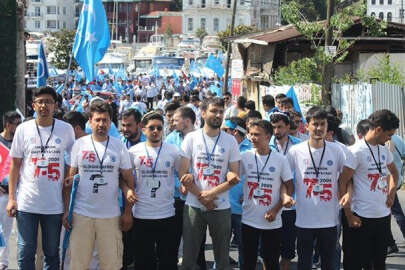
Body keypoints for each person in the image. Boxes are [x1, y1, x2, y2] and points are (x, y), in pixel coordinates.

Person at [7, 86, 75, 270]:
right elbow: (15, 166)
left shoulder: (66, 129)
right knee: (25, 252)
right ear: (34, 105)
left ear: (55, 106)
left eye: (49, 102)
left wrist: (69, 178)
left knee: (52, 253)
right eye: (41, 102)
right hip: (27, 203)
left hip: (54, 205)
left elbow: (73, 162)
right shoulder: (23, 129)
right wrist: (12, 199)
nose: (44, 105)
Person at [64, 100, 136, 270]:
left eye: (105, 120)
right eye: (97, 120)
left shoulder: (118, 147)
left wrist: (127, 212)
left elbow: (128, 179)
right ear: (90, 121)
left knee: (111, 264)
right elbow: (70, 180)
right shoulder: (79, 145)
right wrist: (66, 210)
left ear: (110, 122)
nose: (101, 124)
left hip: (110, 216)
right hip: (81, 214)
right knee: (78, 264)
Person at [286, 106, 353, 270]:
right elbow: (285, 179)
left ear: (327, 126)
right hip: (304, 219)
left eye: (322, 124)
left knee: (328, 263)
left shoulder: (337, 150)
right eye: (315, 124)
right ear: (307, 125)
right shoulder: (295, 151)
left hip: (329, 219)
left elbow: (348, 178)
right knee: (304, 263)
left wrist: (348, 194)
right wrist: (286, 196)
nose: (319, 128)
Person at [179, 97, 241, 270]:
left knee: (222, 258)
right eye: (214, 111)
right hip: (194, 205)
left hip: (220, 206)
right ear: (203, 112)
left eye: (221, 111)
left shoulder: (230, 141)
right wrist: (202, 196)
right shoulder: (191, 138)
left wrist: (211, 195)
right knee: (189, 257)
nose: (218, 115)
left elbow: (235, 177)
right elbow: (182, 173)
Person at [343, 110, 399, 269]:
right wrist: (348, 215)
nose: (390, 138)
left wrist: (392, 193)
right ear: (379, 129)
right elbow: (343, 182)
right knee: (357, 263)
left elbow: (394, 173)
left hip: (383, 216)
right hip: (361, 217)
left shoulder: (384, 150)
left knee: (379, 264)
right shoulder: (355, 151)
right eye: (389, 134)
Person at [129, 112, 182, 270]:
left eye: (159, 128)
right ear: (143, 129)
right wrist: (128, 191)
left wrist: (185, 184)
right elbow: (123, 178)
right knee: (144, 261)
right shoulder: (133, 152)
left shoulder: (173, 151)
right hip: (141, 215)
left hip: (167, 214)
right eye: (151, 127)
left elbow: (183, 174)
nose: (156, 131)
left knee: (168, 261)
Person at [240, 119, 294, 270]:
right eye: (250, 134)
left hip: (272, 221)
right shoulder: (245, 156)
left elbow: (290, 186)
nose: (252, 138)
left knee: (271, 262)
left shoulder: (280, 159)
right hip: (248, 219)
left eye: (257, 134)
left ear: (268, 136)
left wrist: (276, 209)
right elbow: (233, 176)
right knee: (247, 262)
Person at [166, 106, 208, 267]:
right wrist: (180, 184)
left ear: (187, 121)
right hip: (177, 197)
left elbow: (204, 166)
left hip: (197, 197)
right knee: (173, 238)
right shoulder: (171, 138)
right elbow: (168, 166)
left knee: (198, 241)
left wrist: (191, 185)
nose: (172, 122)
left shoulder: (203, 138)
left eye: (176, 120)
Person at [269, 112, 301, 270]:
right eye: (274, 127)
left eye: (280, 127)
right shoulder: (266, 146)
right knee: (269, 248)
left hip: (291, 204)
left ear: (288, 127)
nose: (276, 131)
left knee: (288, 246)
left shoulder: (300, 146)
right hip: (270, 201)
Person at [222, 117, 252, 268]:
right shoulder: (221, 146)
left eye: (225, 130)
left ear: (235, 132)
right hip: (223, 204)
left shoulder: (250, 150)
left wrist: (248, 193)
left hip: (242, 206)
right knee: (221, 245)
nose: (222, 132)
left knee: (244, 246)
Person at [120, 108, 146, 269]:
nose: (125, 129)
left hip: (145, 204)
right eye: (123, 125)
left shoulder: (149, 143)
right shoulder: (118, 144)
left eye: (129, 125)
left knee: (142, 248)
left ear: (139, 125)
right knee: (123, 247)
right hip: (123, 202)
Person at [0, 111, 21, 269]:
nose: (19, 127)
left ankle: (3, 261)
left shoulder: (19, 143)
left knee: (7, 230)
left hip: (13, 193)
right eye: (16, 124)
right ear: (8, 125)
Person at [386, 134, 405, 254]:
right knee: (394, 211)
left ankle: (390, 243)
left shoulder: (380, 141)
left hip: (387, 183)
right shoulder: (398, 138)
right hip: (396, 180)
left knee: (389, 213)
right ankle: (390, 242)